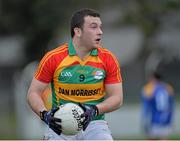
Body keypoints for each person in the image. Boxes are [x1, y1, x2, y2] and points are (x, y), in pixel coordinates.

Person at [27, 8, 123, 140]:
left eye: (100, 27)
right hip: (59, 124)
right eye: (93, 27)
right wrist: (45, 114)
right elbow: (33, 93)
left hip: (95, 123)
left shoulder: (108, 58)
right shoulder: (53, 58)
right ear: (77, 31)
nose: (100, 32)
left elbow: (117, 98)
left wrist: (95, 109)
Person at [141, 71, 175, 140]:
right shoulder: (168, 88)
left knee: (151, 138)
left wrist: (144, 118)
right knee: (164, 138)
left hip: (154, 118)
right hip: (166, 118)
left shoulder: (149, 88)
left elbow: (146, 105)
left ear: (154, 78)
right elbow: (172, 104)